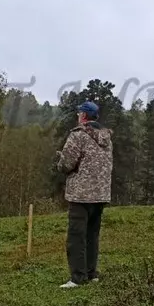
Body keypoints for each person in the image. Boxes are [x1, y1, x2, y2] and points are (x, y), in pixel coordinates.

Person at [55, 100, 113, 288]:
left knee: (76, 237)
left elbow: (66, 164)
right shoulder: (106, 138)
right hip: (101, 194)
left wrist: (60, 161)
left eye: (79, 113)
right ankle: (91, 273)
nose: (77, 116)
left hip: (81, 194)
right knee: (92, 235)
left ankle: (77, 278)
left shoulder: (78, 135)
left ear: (83, 116)